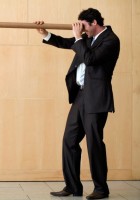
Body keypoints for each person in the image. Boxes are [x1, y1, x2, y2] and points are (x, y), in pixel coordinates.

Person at [35, 8, 120, 199]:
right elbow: (67, 43)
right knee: (69, 140)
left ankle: (101, 188)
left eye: (84, 26)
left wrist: (78, 38)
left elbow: (90, 59)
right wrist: (45, 34)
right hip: (81, 96)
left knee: (94, 143)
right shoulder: (87, 38)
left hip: (96, 98)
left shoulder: (111, 40)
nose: (82, 30)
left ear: (94, 23)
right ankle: (73, 186)